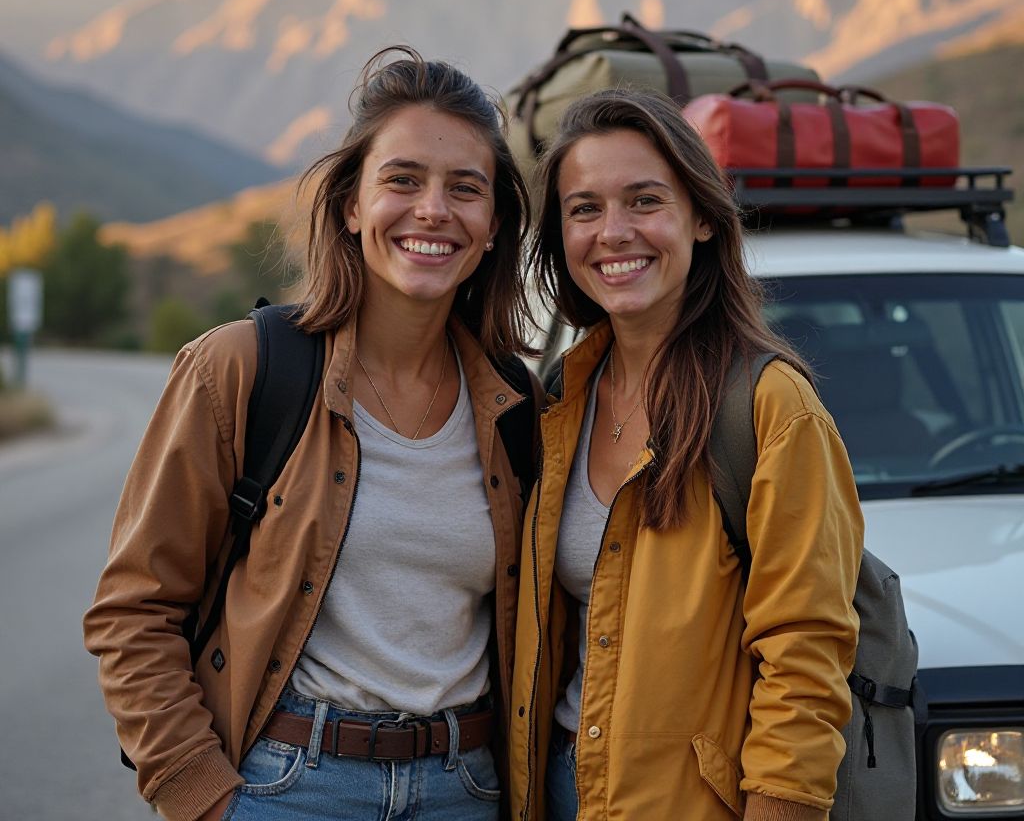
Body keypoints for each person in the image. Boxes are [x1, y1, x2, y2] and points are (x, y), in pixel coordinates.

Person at [84, 47, 539, 821]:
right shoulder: (241, 367)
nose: (433, 209)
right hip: (292, 788)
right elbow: (134, 611)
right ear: (352, 205)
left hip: (468, 789)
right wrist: (201, 795)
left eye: (465, 189)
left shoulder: (516, 405)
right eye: (402, 180)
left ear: (493, 227)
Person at [507, 89, 864, 821]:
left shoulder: (769, 409)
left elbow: (805, 661)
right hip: (564, 790)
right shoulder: (558, 403)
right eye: (584, 209)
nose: (613, 233)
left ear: (701, 218)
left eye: (644, 201)